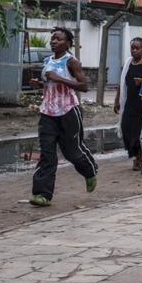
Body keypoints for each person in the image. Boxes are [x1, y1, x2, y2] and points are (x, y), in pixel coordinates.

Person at [29, 27, 97, 207]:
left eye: (58, 39)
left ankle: (89, 171)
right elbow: (47, 83)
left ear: (68, 43)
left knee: (72, 152)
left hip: (68, 112)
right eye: (52, 39)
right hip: (47, 113)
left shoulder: (72, 62)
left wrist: (59, 79)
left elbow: (83, 86)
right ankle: (42, 194)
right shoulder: (47, 61)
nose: (53, 42)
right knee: (47, 154)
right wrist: (39, 83)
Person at [114, 37, 142, 171]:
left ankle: (140, 158)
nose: (134, 50)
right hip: (129, 103)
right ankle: (136, 155)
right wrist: (117, 100)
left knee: (139, 132)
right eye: (132, 48)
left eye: (137, 48)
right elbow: (121, 83)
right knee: (126, 129)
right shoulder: (128, 63)